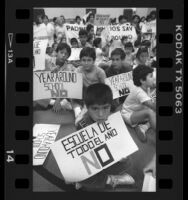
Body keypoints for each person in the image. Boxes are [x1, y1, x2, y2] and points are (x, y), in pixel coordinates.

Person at [75, 83, 135, 191]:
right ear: (87, 107)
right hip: (96, 159)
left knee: (127, 161)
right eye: (95, 109)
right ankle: (111, 179)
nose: (101, 114)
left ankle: (110, 179)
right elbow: (83, 151)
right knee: (74, 173)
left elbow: (123, 145)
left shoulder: (115, 121)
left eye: (105, 107)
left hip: (115, 162)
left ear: (110, 105)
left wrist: (123, 155)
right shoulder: (81, 124)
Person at [121, 65, 156, 142]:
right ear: (142, 80)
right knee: (150, 112)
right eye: (151, 76)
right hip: (128, 114)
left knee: (153, 111)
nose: (153, 78)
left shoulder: (146, 86)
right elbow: (153, 107)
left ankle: (143, 127)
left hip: (138, 111)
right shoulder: (139, 92)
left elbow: (155, 84)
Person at [73, 47, 107, 124]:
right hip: (83, 97)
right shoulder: (77, 70)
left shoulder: (100, 72)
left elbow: (106, 89)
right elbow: (72, 87)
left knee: (82, 121)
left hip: (97, 98)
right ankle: (77, 109)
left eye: (89, 60)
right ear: (80, 60)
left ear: (94, 61)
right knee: (78, 122)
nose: (86, 63)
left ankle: (84, 111)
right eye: (83, 60)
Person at [45, 43, 76, 112]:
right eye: (61, 52)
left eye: (66, 54)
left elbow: (68, 86)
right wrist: (50, 73)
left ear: (68, 56)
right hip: (47, 92)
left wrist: (58, 99)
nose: (63, 55)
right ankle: (54, 103)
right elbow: (40, 80)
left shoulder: (70, 67)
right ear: (56, 52)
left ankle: (60, 103)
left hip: (62, 94)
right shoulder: (47, 62)